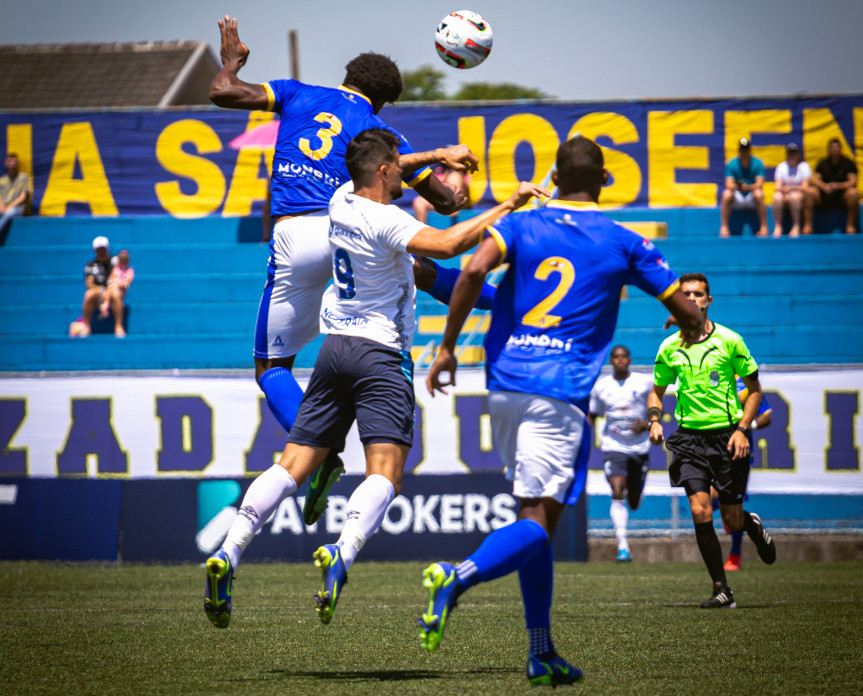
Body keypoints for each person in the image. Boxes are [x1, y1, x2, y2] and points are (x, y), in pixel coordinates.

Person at [202, 128, 548, 630]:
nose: (406, 174)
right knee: (384, 472)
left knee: (292, 464)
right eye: (398, 167)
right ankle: (341, 554)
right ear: (385, 171)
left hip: (333, 351)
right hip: (381, 356)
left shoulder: (341, 200)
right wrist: (508, 205)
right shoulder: (389, 221)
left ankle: (229, 553)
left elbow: (431, 266)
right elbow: (450, 244)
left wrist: (439, 158)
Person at [420, 136, 704, 687]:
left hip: (503, 385)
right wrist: (693, 324)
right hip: (560, 391)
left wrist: (449, 345)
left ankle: (540, 650)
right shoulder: (624, 240)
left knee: (534, 518)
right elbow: (681, 302)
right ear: (604, 181)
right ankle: (456, 579)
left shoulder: (522, 224)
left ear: (553, 174)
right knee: (538, 524)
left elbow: (474, 269)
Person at [209, 16, 482, 529]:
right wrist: (454, 171)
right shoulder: (382, 134)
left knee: (272, 369)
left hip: (294, 235)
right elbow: (445, 203)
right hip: (343, 227)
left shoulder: (295, 93)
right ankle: (493, 296)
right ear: (383, 101)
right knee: (415, 265)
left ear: (347, 76)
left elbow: (222, 91)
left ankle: (318, 453)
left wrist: (233, 62)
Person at [648, 272, 777, 609]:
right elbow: (657, 392)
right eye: (685, 294)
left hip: (727, 437)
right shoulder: (669, 348)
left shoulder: (730, 341)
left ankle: (750, 523)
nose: (692, 299)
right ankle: (722, 589)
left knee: (731, 520)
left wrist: (743, 429)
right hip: (689, 439)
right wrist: (654, 418)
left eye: (698, 294)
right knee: (699, 510)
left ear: (708, 300)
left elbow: (754, 390)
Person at [588, 345, 653, 562]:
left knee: (633, 501)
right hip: (613, 447)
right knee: (617, 490)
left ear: (629, 359)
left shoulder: (643, 383)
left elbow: (658, 405)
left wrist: (648, 423)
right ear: (611, 361)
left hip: (639, 448)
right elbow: (593, 414)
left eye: (623, 356)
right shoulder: (602, 386)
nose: (620, 360)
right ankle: (623, 546)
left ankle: (637, 490)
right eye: (616, 357)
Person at [717, 377, 772, 571]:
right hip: (709, 448)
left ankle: (735, 555)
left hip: (737, 453)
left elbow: (766, 414)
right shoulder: (709, 374)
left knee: (732, 512)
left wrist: (748, 426)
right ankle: (731, 517)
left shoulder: (746, 381)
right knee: (704, 502)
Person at [719, 138, 767, 237]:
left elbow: (759, 184)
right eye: (742, 149)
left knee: (759, 193)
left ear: (750, 150)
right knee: (726, 194)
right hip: (738, 196)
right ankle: (724, 227)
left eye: (746, 149)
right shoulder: (731, 164)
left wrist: (748, 187)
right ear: (739, 151)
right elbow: (728, 184)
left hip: (751, 196)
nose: (744, 152)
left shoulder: (758, 163)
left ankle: (764, 227)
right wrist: (739, 187)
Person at [811, 138, 859, 234]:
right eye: (832, 147)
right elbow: (814, 180)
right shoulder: (823, 163)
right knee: (810, 192)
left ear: (840, 149)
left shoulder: (848, 163)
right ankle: (808, 226)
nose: (834, 150)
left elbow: (853, 181)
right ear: (828, 149)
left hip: (842, 195)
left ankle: (850, 226)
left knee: (853, 193)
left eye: (837, 147)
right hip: (825, 195)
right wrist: (824, 187)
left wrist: (838, 186)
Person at [771, 143, 812, 237]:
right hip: (785, 194)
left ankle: (796, 225)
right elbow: (777, 186)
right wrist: (784, 190)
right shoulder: (781, 167)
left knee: (794, 197)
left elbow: (805, 187)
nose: (792, 155)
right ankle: (777, 226)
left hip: (800, 195)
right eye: (790, 153)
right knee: (776, 197)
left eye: (794, 153)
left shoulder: (804, 166)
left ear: (798, 154)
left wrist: (793, 188)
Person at [79, 236, 114, 338]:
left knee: (115, 292)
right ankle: (87, 326)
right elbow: (89, 283)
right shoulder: (90, 265)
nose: (101, 252)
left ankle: (119, 327)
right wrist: (101, 291)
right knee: (89, 294)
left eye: (103, 249)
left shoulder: (114, 261)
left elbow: (117, 276)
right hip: (98, 294)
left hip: (112, 291)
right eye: (99, 249)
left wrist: (107, 291)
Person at [99, 249, 134, 338]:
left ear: (128, 261)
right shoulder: (115, 269)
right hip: (112, 290)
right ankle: (106, 304)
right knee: (111, 288)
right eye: (121, 260)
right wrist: (113, 283)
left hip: (121, 291)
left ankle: (105, 306)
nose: (123, 262)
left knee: (113, 289)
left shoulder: (129, 271)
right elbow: (110, 279)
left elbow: (127, 282)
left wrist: (119, 284)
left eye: (125, 260)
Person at [0, 153, 30, 240]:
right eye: (10, 160)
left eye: (15, 161)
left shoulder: (24, 177)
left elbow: (24, 196)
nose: (12, 163)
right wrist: (2, 207)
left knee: (9, 212)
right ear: (5, 163)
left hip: (17, 208)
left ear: (18, 163)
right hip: (3, 208)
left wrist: (9, 206)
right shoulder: (2, 180)